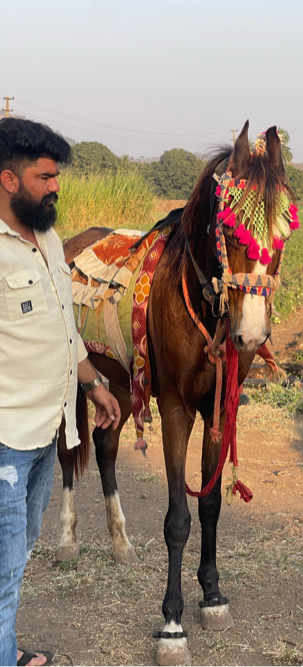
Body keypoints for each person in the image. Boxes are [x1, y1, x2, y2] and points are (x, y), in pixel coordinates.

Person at [0, 118, 121, 667]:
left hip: (48, 431)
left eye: (56, 176)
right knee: (2, 571)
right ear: (8, 180)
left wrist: (93, 384)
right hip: (5, 440)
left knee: (17, 558)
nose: (55, 187)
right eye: (45, 176)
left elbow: (64, 328)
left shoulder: (47, 240)